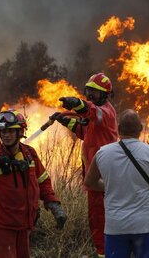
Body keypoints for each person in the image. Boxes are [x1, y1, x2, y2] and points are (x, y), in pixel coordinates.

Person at [84, 109, 149, 258]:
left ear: (119, 129)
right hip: (147, 226)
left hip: (116, 227)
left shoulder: (102, 153)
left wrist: (111, 186)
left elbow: (89, 183)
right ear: (140, 129)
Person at [0, 109, 67, 258]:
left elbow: (43, 182)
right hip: (3, 227)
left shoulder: (30, 154)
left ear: (20, 132)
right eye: (3, 131)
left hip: (25, 225)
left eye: (10, 131)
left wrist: (54, 206)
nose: (6, 135)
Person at [53, 72, 118, 257]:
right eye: (88, 91)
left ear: (105, 95)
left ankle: (105, 252)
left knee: (101, 218)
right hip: (94, 174)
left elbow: (91, 111)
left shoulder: (106, 112)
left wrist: (77, 104)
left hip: (104, 176)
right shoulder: (95, 114)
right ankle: (103, 251)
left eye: (95, 93)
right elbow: (86, 131)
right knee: (96, 218)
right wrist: (67, 122)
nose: (90, 96)